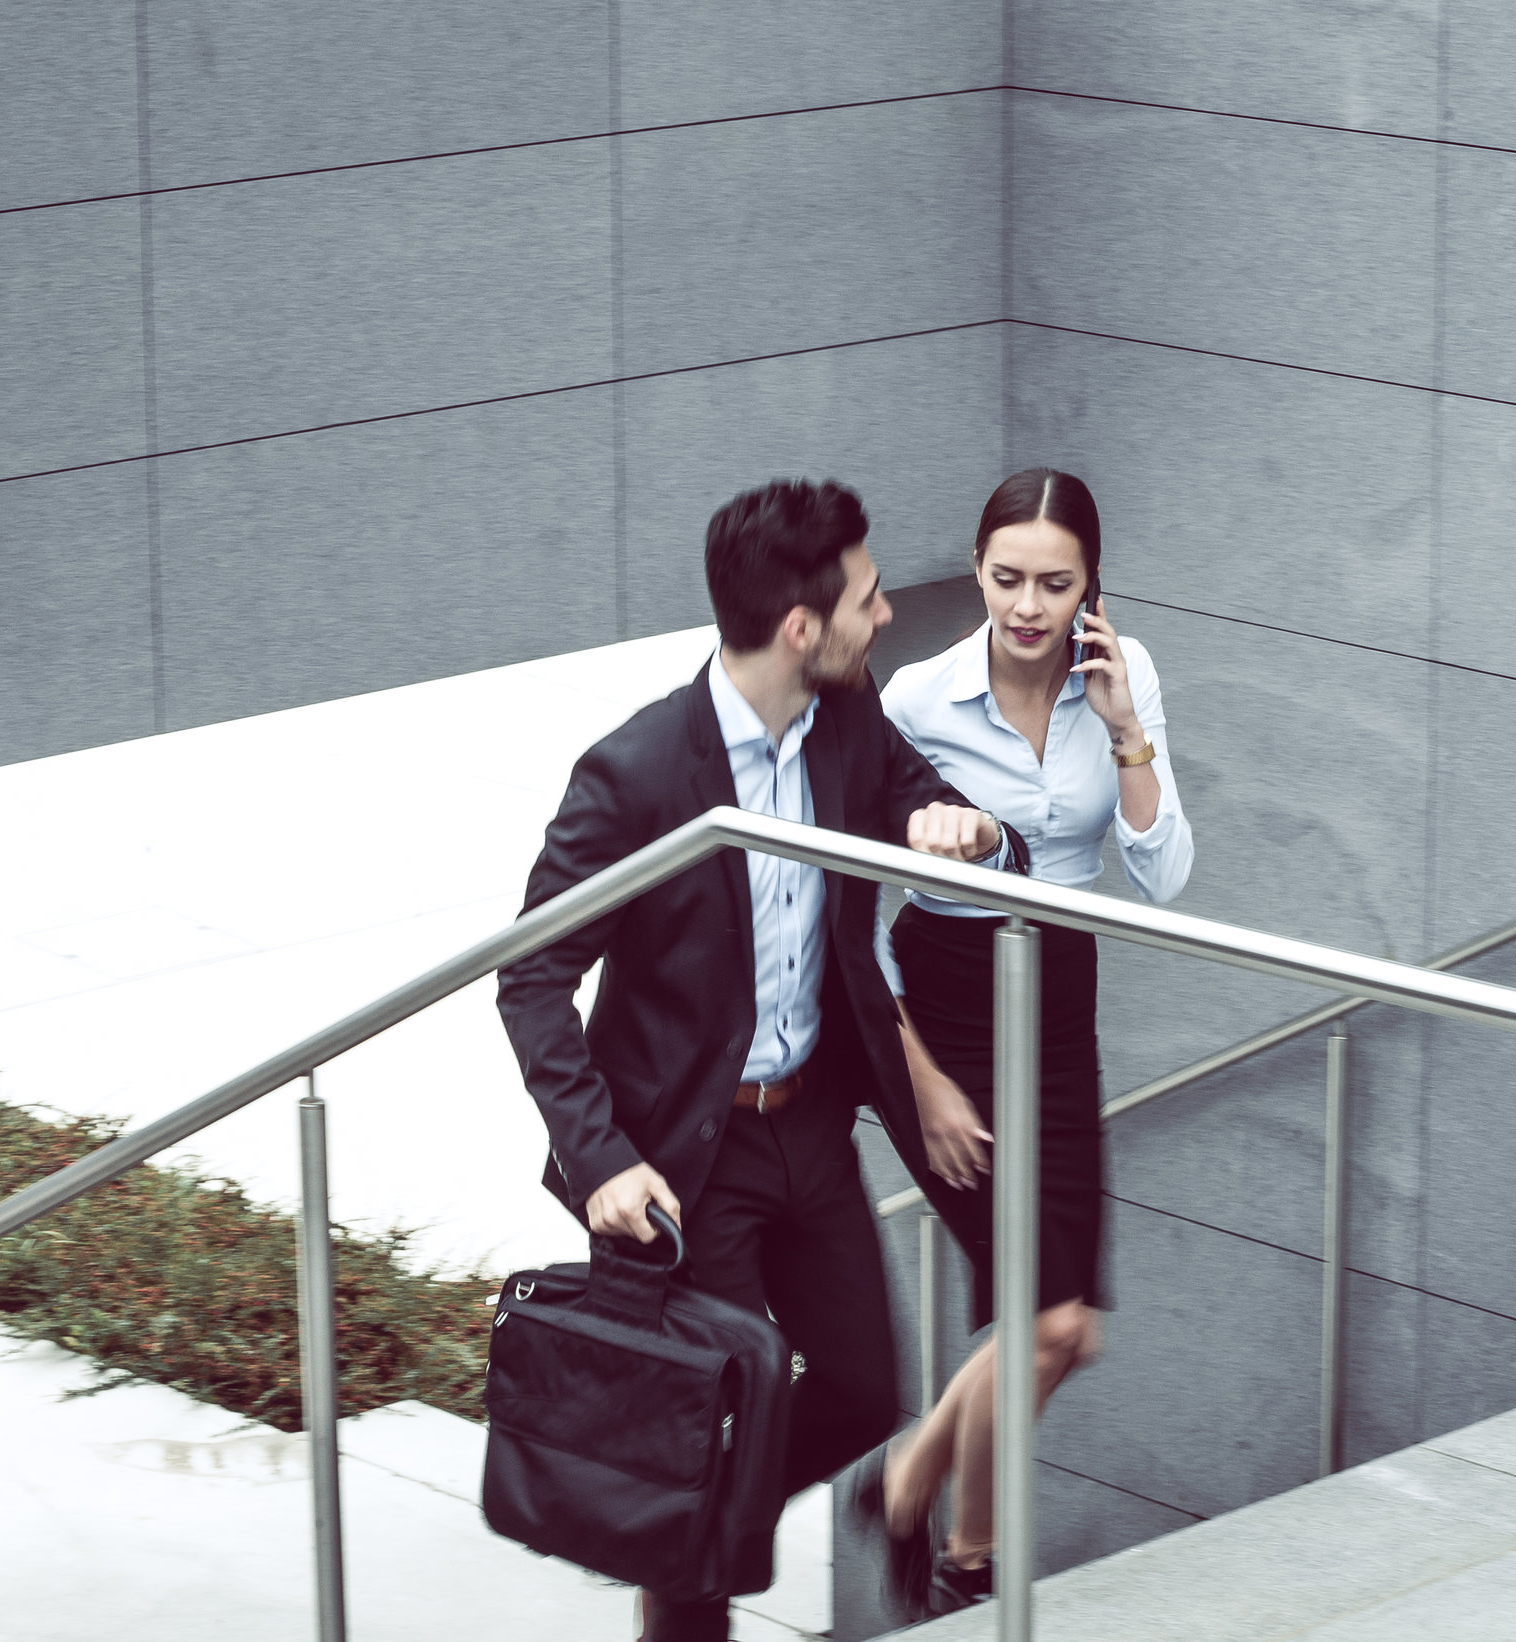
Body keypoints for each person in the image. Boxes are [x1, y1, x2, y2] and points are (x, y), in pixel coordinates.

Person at [494, 479, 1024, 1642]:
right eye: (870, 599)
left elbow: (921, 797)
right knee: (710, 1421)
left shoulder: (843, 720)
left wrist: (964, 824)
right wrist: (602, 1163)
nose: (885, 617)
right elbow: (530, 975)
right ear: (802, 625)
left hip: (811, 1132)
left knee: (859, 1388)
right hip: (685, 1157)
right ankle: (686, 1548)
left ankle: (684, 1514)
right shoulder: (635, 775)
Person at [867, 469, 1194, 1616]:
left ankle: (911, 1487)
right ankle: (963, 1556)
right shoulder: (914, 700)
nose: (1029, 605)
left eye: (1055, 582)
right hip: (941, 1008)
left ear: (1087, 584)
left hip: (1059, 996)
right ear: (975, 570)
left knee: (1070, 1332)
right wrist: (922, 1081)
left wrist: (1126, 736)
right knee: (1045, 1319)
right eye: (1008, 578)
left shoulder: (1127, 675)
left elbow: (1161, 880)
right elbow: (843, 913)